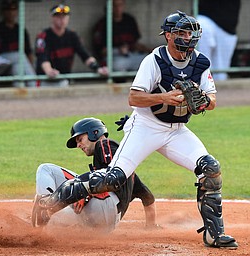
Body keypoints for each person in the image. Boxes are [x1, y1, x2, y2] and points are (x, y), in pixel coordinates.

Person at [37, 11, 238, 249]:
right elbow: (133, 98)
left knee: (210, 169)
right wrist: (164, 97)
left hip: (176, 130)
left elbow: (212, 100)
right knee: (113, 178)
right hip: (146, 126)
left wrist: (203, 100)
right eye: (181, 32)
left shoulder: (201, 62)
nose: (187, 37)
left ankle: (214, 234)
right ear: (168, 36)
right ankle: (49, 203)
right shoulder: (155, 60)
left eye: (190, 32)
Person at [32, 117, 157, 233]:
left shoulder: (104, 145)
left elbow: (107, 180)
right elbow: (148, 197)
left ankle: (45, 205)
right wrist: (151, 225)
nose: (78, 145)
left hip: (103, 206)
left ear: (94, 133)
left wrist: (85, 193)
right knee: (55, 225)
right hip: (105, 224)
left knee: (46, 169)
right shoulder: (128, 171)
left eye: (80, 139)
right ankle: (46, 218)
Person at [35, 4, 108, 87]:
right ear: (52, 18)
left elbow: (84, 55)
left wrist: (98, 68)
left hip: (63, 79)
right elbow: (42, 57)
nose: (62, 19)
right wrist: (49, 71)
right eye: (58, 16)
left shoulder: (72, 36)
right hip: (46, 80)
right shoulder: (43, 36)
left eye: (64, 16)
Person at [93, 0, 152, 74]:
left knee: (148, 60)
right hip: (114, 58)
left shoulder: (129, 20)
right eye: (115, 6)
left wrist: (151, 51)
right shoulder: (103, 24)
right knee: (118, 64)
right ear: (109, 7)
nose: (118, 8)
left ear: (124, 5)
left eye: (120, 5)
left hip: (130, 56)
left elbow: (135, 44)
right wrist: (118, 50)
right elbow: (101, 52)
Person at [0, 0, 36, 88]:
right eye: (8, 10)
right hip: (2, 63)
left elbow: (29, 52)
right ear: (3, 12)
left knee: (17, 68)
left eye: (13, 10)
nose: (11, 13)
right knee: (18, 55)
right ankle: (34, 85)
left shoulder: (21, 29)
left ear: (17, 12)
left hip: (18, 62)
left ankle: (20, 99)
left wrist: (30, 67)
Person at [197, 0, 241, 81]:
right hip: (206, 17)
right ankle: (200, 85)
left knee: (221, 74)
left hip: (228, 24)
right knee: (202, 68)